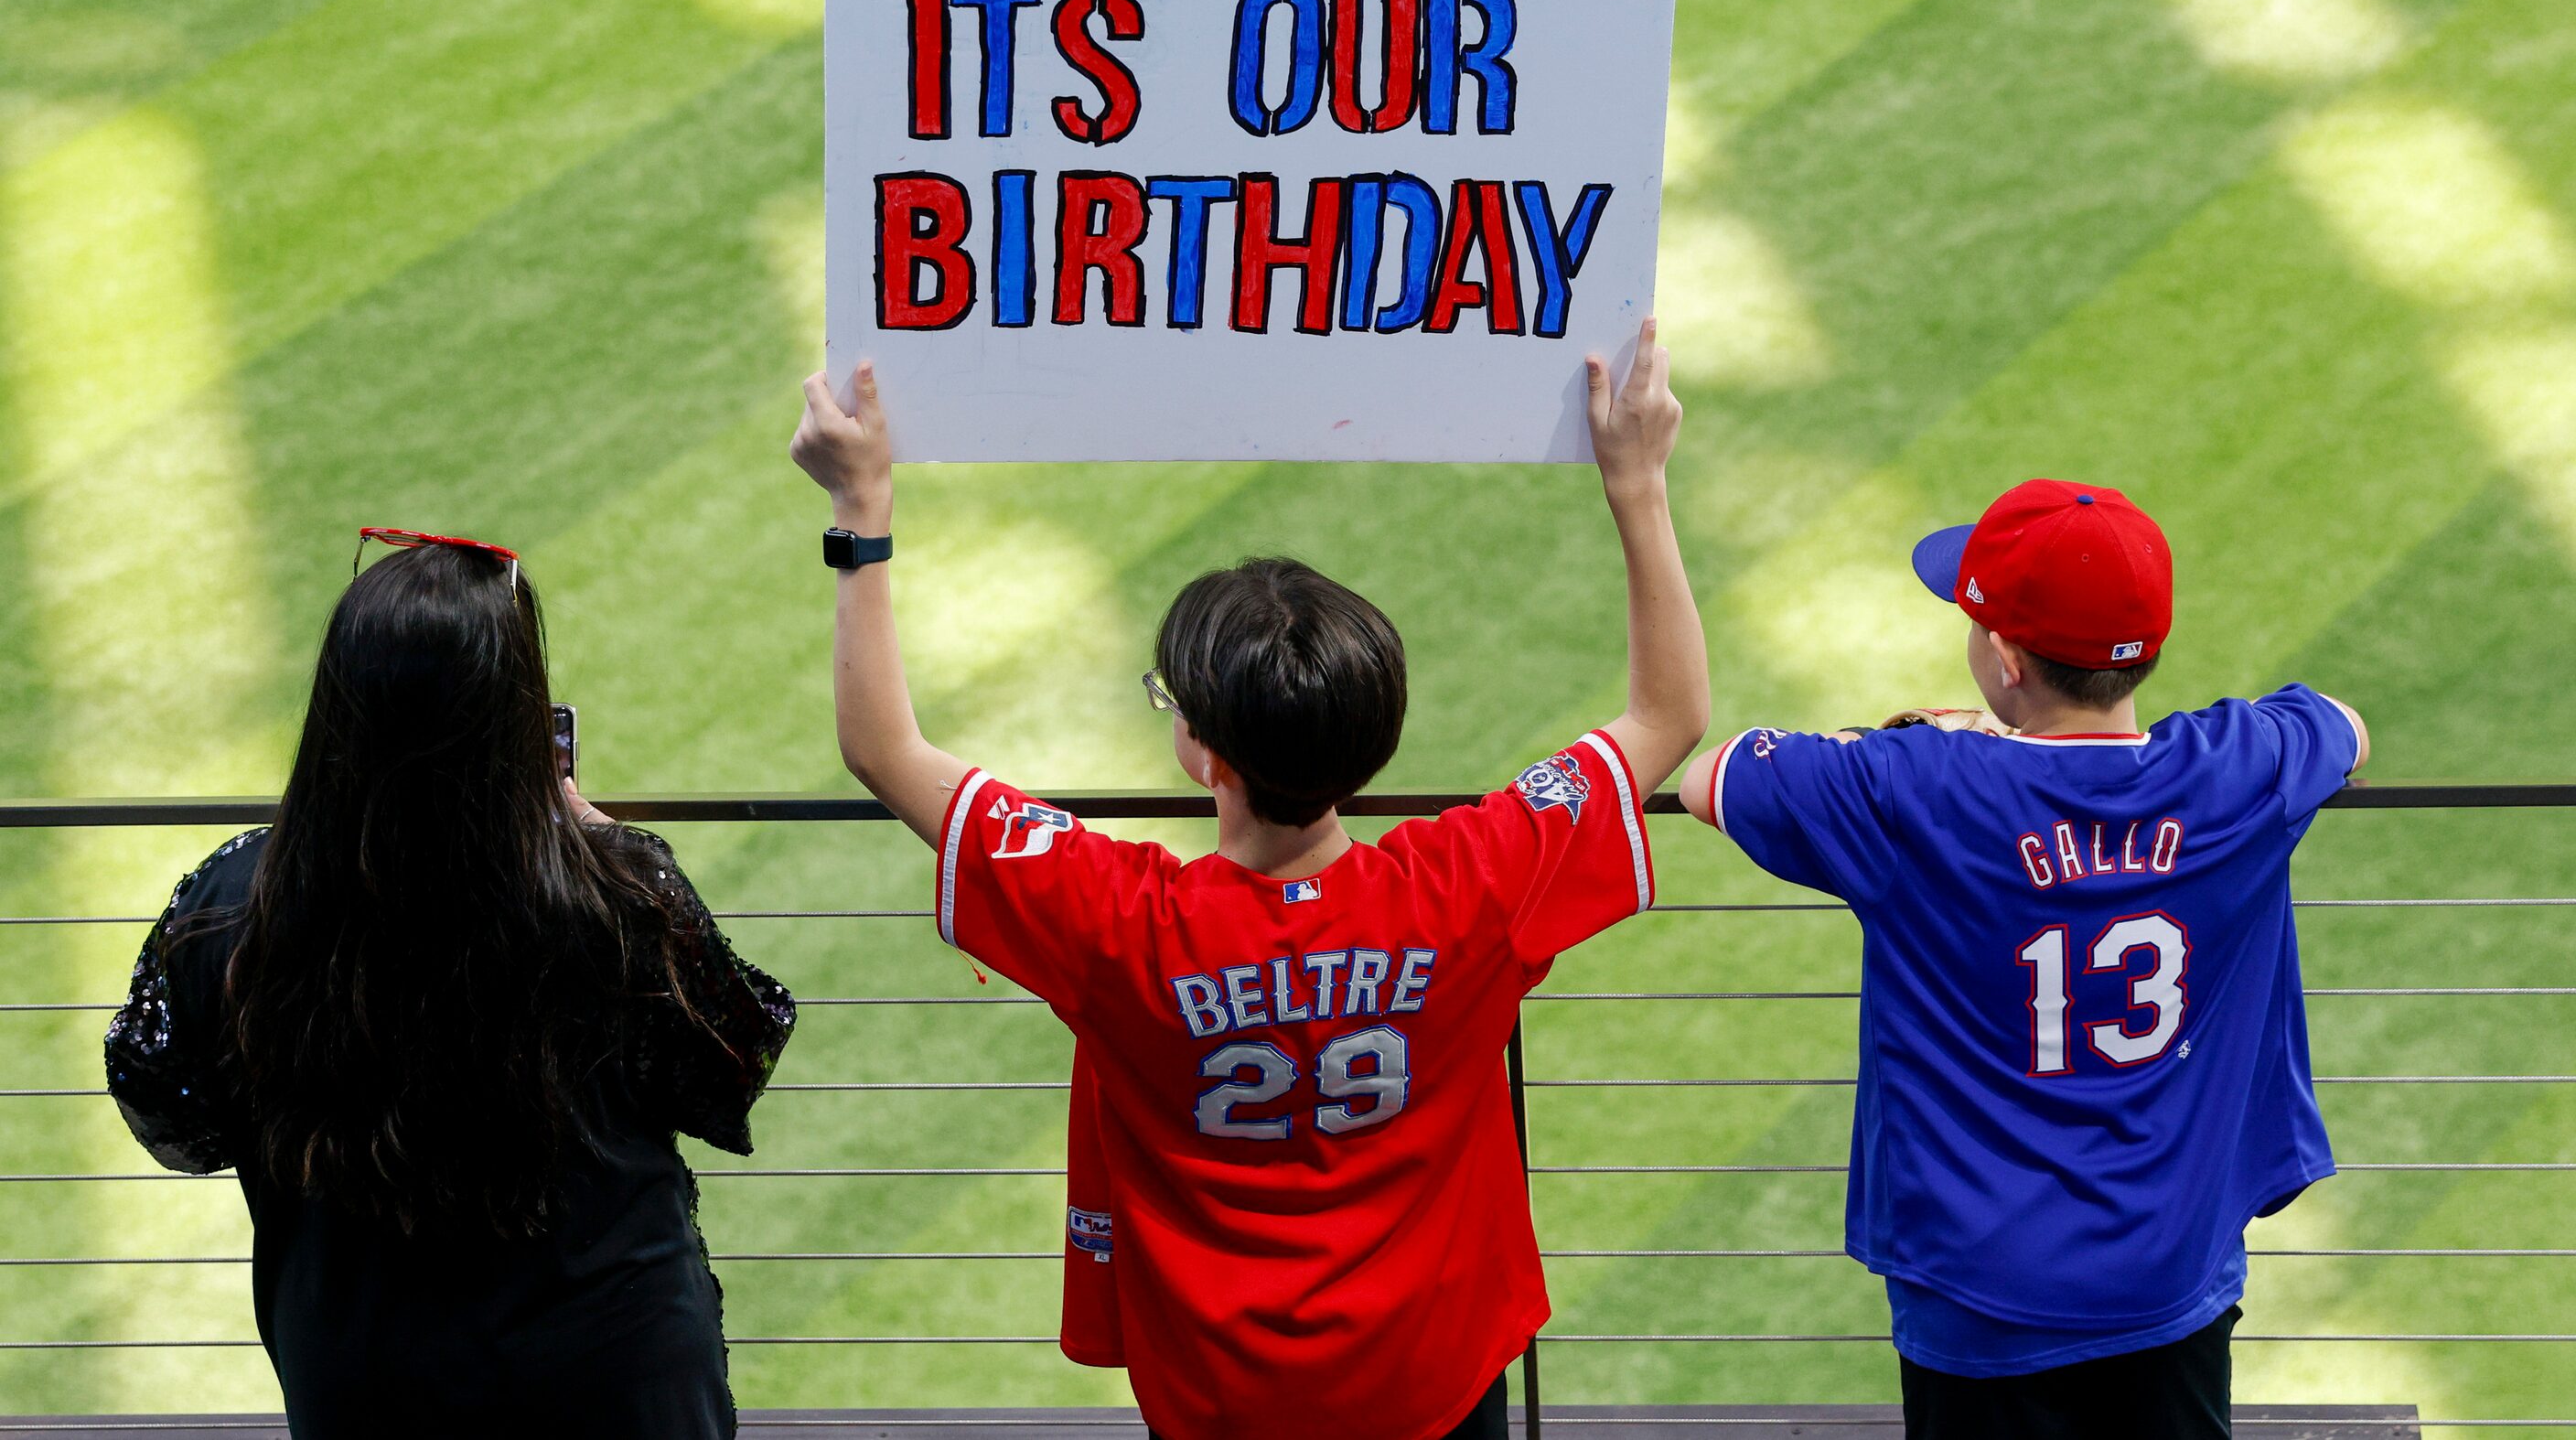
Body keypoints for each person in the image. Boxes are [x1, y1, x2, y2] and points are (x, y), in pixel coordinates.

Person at [788, 317, 1707, 1440]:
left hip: (1220, 1400)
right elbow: (1667, 718)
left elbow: (885, 752)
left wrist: (860, 512)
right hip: (1433, 1379)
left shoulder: (1114, 917)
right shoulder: (1473, 878)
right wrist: (1638, 483)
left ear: (1205, 758)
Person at [1678, 479, 2367, 1440]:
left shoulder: (1914, 789)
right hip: (2170, 1266)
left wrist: (1935, 741)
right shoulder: (2239, 767)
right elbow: (2339, 724)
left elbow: (1709, 777)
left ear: (2001, 661)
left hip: (1977, 1286)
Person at [105, 531, 797, 1440]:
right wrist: (610, 841)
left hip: (361, 1368)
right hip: (611, 1366)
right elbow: (728, 1064)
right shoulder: (612, 894)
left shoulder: (234, 897)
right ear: (517, 714)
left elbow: (171, 1115)